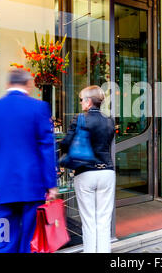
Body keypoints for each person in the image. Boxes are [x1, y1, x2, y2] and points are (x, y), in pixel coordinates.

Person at [0, 68, 58, 253]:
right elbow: (47, 148)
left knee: (4, 239)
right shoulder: (38, 107)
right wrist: (51, 184)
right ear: (28, 84)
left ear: (8, 85)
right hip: (32, 186)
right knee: (30, 240)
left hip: (3, 187)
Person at [60, 85, 115, 253]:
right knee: (104, 220)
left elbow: (66, 144)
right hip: (107, 171)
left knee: (89, 220)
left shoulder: (79, 119)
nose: (81, 102)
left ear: (89, 101)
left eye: (82, 99)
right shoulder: (109, 121)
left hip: (85, 173)